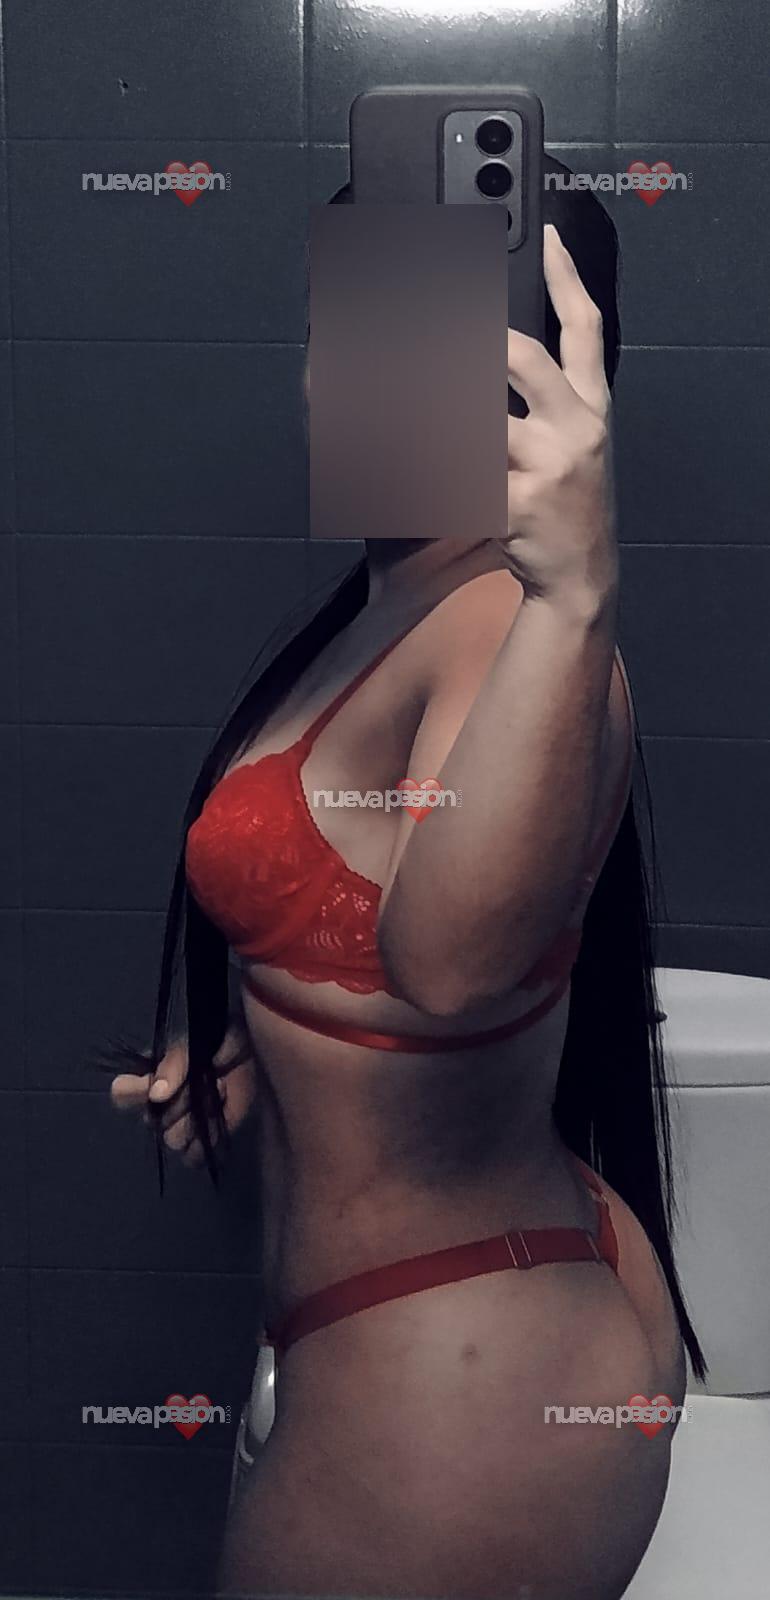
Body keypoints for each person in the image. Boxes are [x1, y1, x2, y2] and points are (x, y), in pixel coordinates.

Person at [109, 165, 705, 1600]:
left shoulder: (507, 621)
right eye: (335, 326)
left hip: (468, 1368)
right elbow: (370, 923)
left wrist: (575, 597)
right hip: (431, 1304)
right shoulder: (393, 596)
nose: (330, 378)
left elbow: (449, 963)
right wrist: (266, 1042)